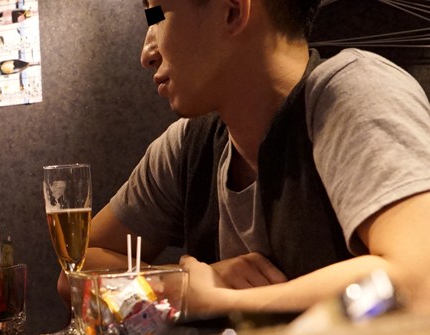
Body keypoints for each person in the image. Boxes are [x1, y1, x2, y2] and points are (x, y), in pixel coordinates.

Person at [72, 0, 430, 317]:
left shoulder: (350, 94)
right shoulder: (187, 146)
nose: (147, 53)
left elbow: (419, 282)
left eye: (156, 15)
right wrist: (175, 285)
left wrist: (219, 302)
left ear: (232, 10)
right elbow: (75, 272)